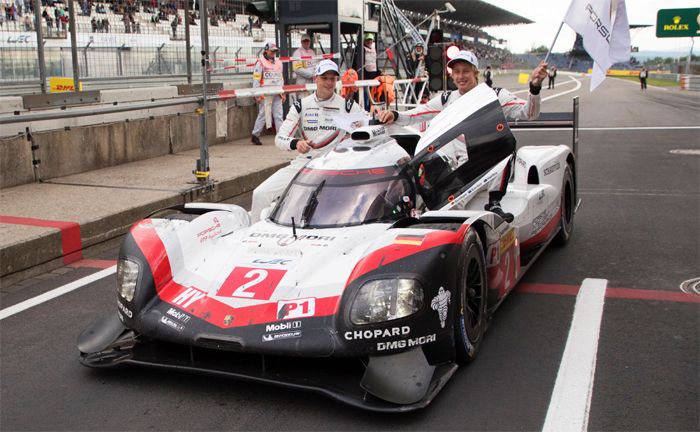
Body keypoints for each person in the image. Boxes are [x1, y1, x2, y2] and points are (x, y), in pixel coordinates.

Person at [376, 50, 548, 222]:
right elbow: (416, 114)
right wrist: (395, 115)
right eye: (456, 72)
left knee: (506, 148)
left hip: (491, 168)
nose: (461, 76)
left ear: (475, 72)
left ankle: (495, 203)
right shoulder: (446, 99)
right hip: (460, 171)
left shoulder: (495, 95)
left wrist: (534, 87)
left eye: (465, 71)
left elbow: (530, 113)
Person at [249, 60, 366, 222]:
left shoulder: (347, 106)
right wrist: (296, 143)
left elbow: (368, 125)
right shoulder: (301, 105)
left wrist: (381, 116)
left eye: (333, 78)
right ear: (315, 79)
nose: (329, 82)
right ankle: (255, 237)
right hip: (305, 163)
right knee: (260, 193)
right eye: (325, 78)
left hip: (333, 166)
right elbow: (280, 138)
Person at [250, 42, 285, 146]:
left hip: (277, 93)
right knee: (263, 115)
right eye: (272, 51)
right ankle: (255, 135)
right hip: (265, 93)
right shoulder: (260, 62)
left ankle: (281, 136)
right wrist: (257, 94)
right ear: (266, 50)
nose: (274, 53)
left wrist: (283, 93)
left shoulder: (279, 62)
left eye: (275, 51)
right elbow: (256, 79)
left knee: (278, 115)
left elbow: (281, 78)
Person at [290, 33, 317, 103]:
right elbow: (297, 69)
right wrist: (311, 74)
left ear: (310, 42)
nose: (306, 43)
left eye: (308, 41)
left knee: (312, 103)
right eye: (304, 41)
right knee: (303, 103)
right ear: (301, 42)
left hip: (312, 83)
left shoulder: (312, 52)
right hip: (302, 82)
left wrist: (315, 74)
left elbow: (315, 65)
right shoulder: (297, 53)